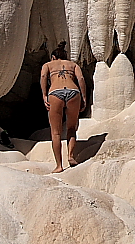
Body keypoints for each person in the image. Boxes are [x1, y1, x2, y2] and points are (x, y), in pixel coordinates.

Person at [39, 41, 86, 173]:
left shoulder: (48, 64)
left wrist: (44, 95)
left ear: (53, 57)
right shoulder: (73, 65)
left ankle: (59, 165)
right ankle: (71, 156)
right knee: (71, 127)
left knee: (56, 132)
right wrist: (83, 97)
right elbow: (81, 79)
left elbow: (43, 76)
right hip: (73, 92)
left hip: (55, 93)